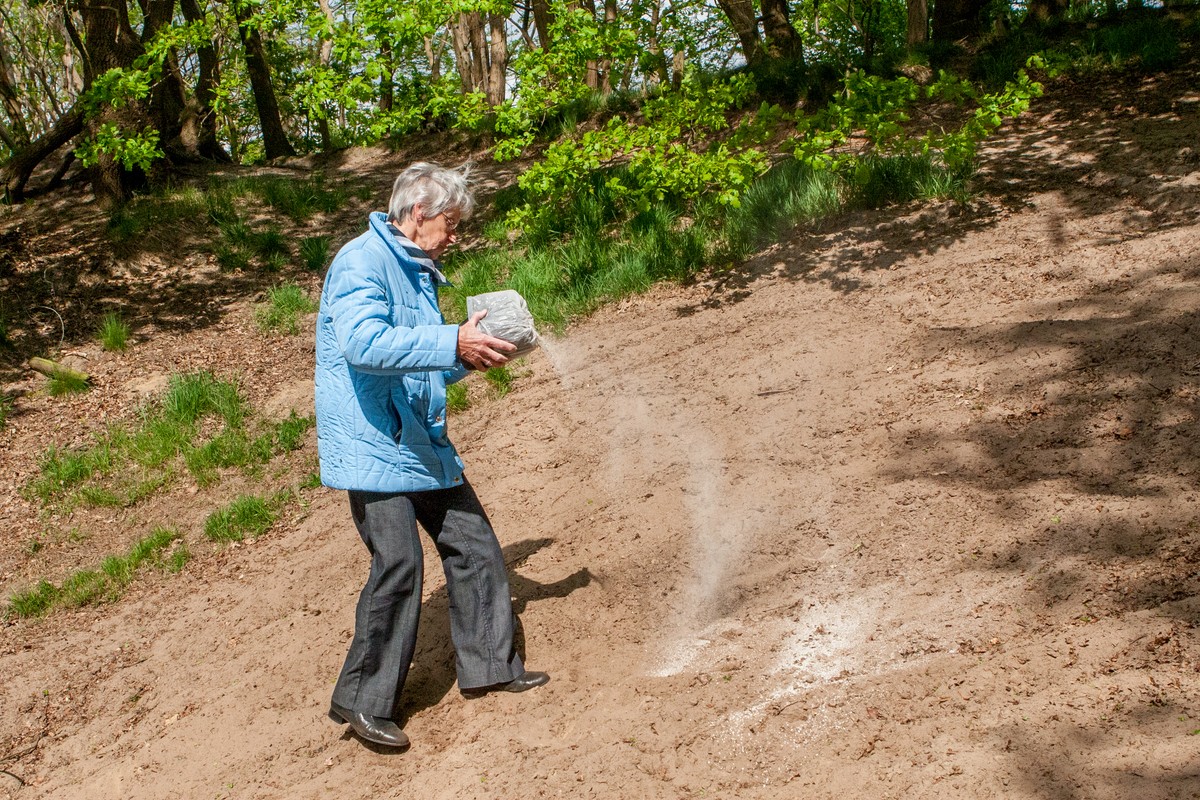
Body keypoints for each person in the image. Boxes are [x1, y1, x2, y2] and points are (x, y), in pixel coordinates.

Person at [314, 162, 549, 750]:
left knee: (472, 544)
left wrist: (465, 355)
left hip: (418, 437)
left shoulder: (418, 270)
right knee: (399, 564)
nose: (455, 235)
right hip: (374, 443)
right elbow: (364, 345)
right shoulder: (360, 262)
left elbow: (414, 360)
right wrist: (451, 339)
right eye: (450, 223)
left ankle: (490, 667)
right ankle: (362, 702)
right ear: (418, 213)